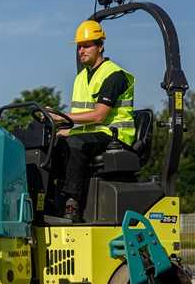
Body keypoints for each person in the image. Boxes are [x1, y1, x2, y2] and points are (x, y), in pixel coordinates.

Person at [51, 20, 135, 222]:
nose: (81, 51)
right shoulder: (81, 78)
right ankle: (50, 200)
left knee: (75, 144)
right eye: (79, 46)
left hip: (114, 134)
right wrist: (60, 126)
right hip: (92, 133)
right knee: (52, 142)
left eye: (87, 45)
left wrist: (63, 117)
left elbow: (99, 115)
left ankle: (72, 202)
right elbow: (81, 117)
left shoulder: (114, 75)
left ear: (100, 46)